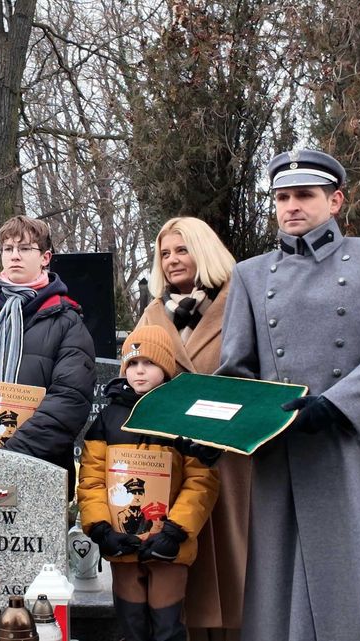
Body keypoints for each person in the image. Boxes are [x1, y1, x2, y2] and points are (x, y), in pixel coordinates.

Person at [216, 149, 360, 641]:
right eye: (282, 197)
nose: (291, 206)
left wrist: (336, 404)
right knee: (287, 590)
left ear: (335, 200)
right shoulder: (251, 275)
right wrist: (212, 429)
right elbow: (237, 373)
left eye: (304, 195)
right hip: (286, 454)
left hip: (359, 448)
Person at [136, 217, 248, 641]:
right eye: (164, 254)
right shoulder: (151, 313)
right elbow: (140, 371)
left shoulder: (240, 300)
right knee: (185, 571)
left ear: (204, 251)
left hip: (229, 458)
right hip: (175, 463)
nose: (172, 260)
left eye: (181, 250)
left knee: (233, 567)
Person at [0, 215, 96, 499]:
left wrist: (11, 457)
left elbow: (70, 399)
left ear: (45, 257)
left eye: (25, 249)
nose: (15, 256)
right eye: (8, 249)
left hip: (37, 468)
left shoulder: (67, 321)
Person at [79, 325, 219, 641]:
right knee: (132, 627)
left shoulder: (184, 415)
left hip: (169, 545)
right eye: (132, 364)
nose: (139, 371)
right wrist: (101, 530)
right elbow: (91, 480)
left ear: (166, 368)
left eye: (149, 363)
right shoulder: (108, 418)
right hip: (122, 543)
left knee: (168, 627)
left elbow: (201, 480)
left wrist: (176, 531)